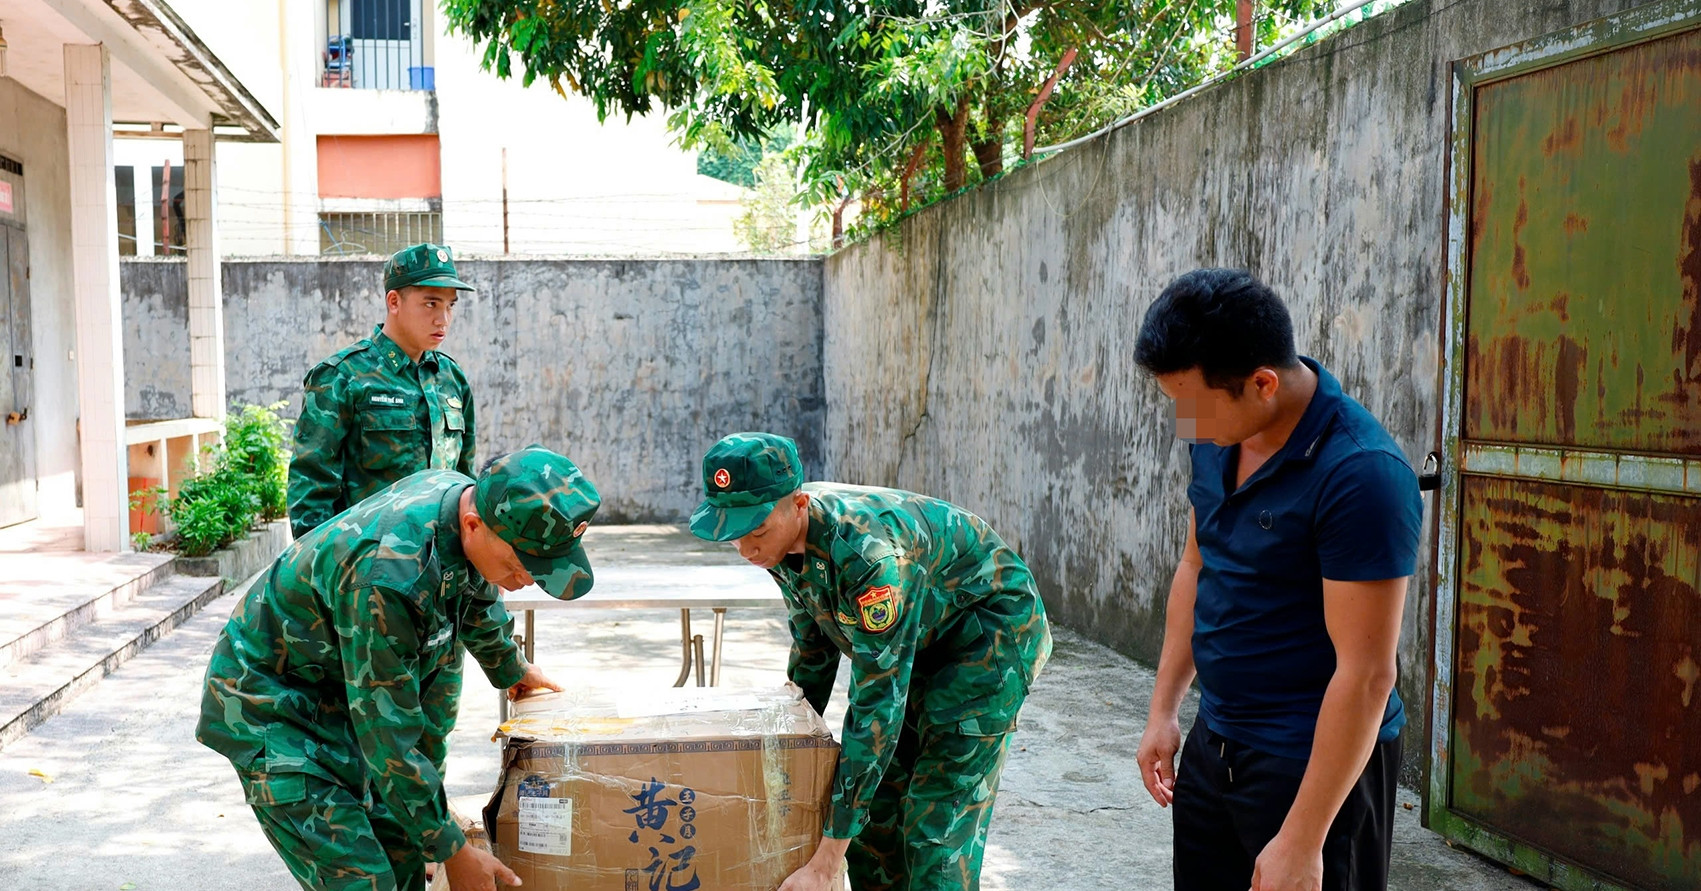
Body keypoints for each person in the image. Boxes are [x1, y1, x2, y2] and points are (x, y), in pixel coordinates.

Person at [1131, 269, 1422, 891]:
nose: (1188, 423)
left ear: (1263, 383)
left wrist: (1303, 836)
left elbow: (1367, 674)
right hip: (1218, 741)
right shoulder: (1215, 437)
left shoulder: (1362, 475)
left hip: (1313, 763)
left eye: (1195, 404)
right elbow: (1196, 564)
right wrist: (1164, 710)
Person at [197, 446, 602, 891]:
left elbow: (476, 588)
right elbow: (390, 737)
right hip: (273, 707)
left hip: (343, 689)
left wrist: (511, 666)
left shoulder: (467, 501)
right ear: (473, 525)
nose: (529, 580)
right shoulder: (388, 577)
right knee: (365, 881)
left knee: (404, 859)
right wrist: (455, 851)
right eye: (521, 565)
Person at [689, 432, 1051, 891]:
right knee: (874, 818)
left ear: (798, 504)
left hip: (987, 638)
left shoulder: (870, 558)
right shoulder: (779, 545)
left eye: (756, 531)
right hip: (917, 640)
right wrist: (789, 755)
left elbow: (878, 704)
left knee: (935, 825)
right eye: (733, 534)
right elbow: (813, 649)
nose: (746, 549)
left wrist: (825, 861)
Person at [287, 241, 478, 540]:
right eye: (431, 303)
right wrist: (320, 574)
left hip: (443, 566)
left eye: (449, 305)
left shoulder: (451, 379)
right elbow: (311, 487)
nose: (443, 319)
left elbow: (466, 480)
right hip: (368, 568)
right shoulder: (341, 377)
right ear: (394, 301)